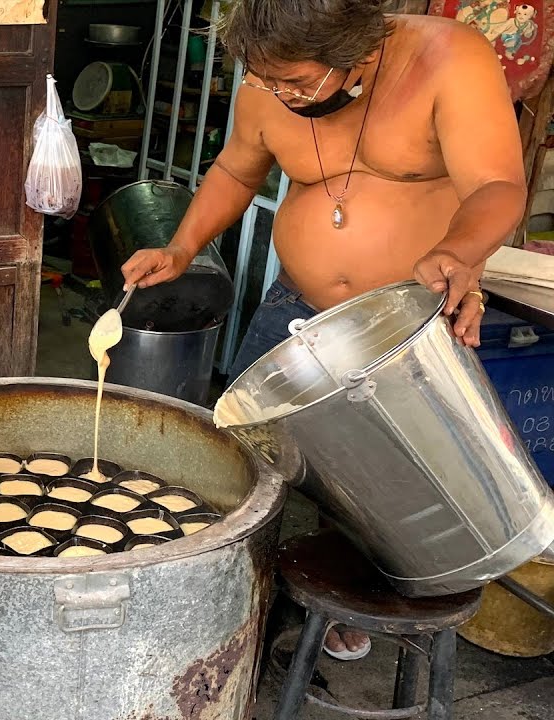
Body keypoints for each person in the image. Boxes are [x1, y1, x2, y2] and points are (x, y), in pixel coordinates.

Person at [120, 0, 526, 660]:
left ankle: (340, 608)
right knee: (246, 462)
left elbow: (499, 185)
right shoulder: (270, 78)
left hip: (404, 327)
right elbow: (234, 167)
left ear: (358, 54)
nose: (280, 94)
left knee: (376, 486)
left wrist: (459, 252)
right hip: (296, 308)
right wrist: (182, 247)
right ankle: (239, 599)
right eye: (265, 81)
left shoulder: (447, 58)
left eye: (299, 84)